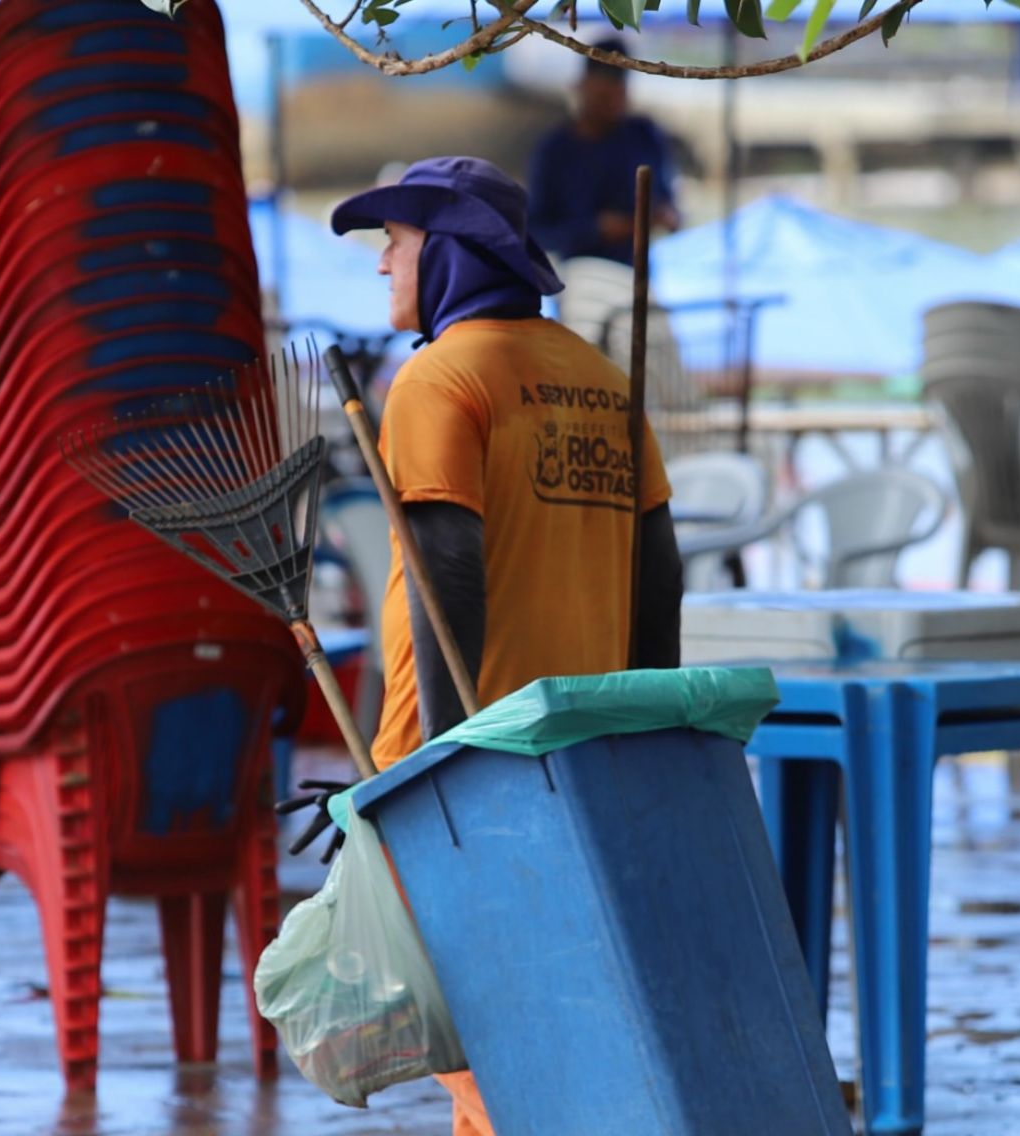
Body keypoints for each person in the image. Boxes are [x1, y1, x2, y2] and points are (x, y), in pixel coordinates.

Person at [318, 155, 683, 1136]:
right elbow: (660, 582)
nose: (382, 263)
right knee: (543, 1033)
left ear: (448, 250)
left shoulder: (441, 375)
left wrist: (449, 779)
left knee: (492, 1056)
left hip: (465, 770)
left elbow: (445, 574)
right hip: (581, 768)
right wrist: (640, 746)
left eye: (395, 241)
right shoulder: (603, 380)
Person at [526, 36, 679, 266]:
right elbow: (538, 232)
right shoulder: (554, 151)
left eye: (618, 94)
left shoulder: (644, 136)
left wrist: (665, 216)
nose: (612, 104)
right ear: (581, 87)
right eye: (603, 97)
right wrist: (595, 230)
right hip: (577, 273)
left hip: (636, 270)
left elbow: (669, 205)